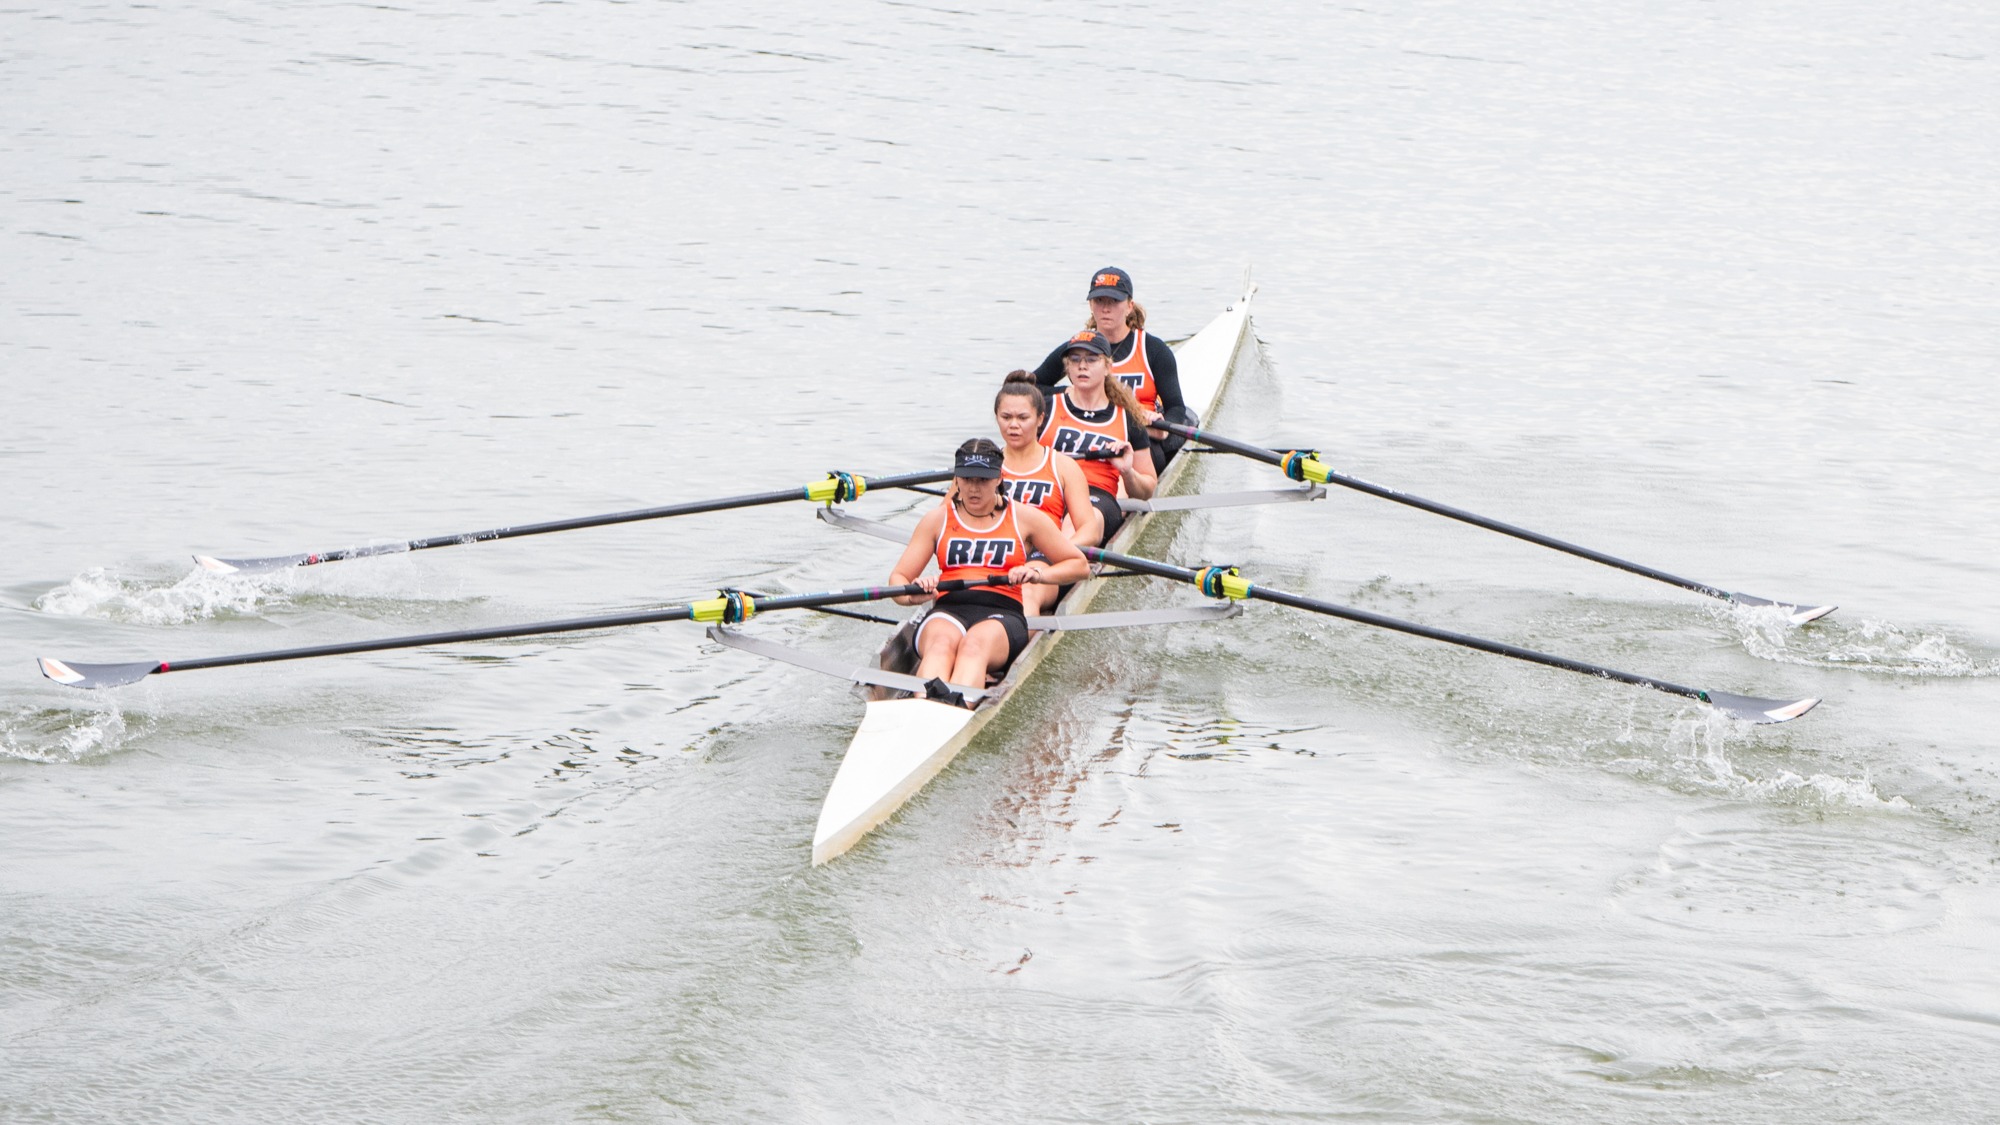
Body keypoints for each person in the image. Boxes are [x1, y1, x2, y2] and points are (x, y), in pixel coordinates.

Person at [889, 439, 1089, 706]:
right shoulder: (937, 520)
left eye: (983, 480)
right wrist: (913, 594)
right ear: (956, 479)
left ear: (999, 478)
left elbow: (1079, 565)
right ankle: (926, 708)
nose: (974, 488)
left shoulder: (1025, 518)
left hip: (1003, 612)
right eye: (967, 479)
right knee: (939, 647)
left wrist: (1037, 575)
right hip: (949, 609)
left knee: (973, 646)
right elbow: (898, 580)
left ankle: (953, 711)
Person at [1032, 266, 1191, 471]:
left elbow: (1177, 407)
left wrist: (1163, 428)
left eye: (1114, 301)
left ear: (1129, 306)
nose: (1105, 309)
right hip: (1089, 430)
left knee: (1153, 458)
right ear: (1090, 305)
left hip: (1140, 432)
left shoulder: (1154, 350)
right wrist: (1067, 392)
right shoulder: (1077, 348)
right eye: (1099, 301)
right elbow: (1032, 388)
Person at [992, 370, 1103, 616]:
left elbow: (1089, 529)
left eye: (1023, 417)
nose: (1013, 425)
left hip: (1045, 558)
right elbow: (945, 520)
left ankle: (1014, 645)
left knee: (1026, 590)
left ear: (1040, 419)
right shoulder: (985, 467)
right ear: (997, 418)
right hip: (997, 550)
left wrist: (1058, 548)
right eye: (1006, 417)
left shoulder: (1062, 466)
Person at [1039, 329, 1156, 543]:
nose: (1082, 366)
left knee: (1073, 524)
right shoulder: (1045, 409)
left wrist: (1127, 472)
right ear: (1067, 368)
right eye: (1075, 360)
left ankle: (1058, 564)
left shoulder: (1126, 418)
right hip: (1049, 492)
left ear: (1107, 367)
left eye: (1092, 359)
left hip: (1097, 498)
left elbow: (1147, 489)